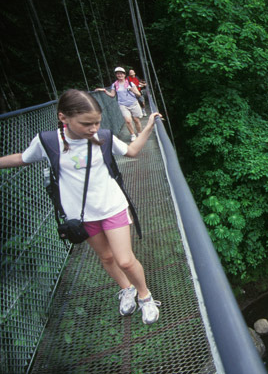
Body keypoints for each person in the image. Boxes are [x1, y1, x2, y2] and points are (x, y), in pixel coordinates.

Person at [0, 89, 162, 324]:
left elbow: (133, 151)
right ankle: (127, 289)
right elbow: (22, 158)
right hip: (81, 215)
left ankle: (145, 296)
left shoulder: (103, 136)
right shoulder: (47, 142)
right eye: (86, 124)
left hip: (112, 206)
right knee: (106, 258)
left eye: (96, 122)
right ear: (63, 118)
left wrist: (148, 126)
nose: (93, 128)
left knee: (125, 259)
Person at [95, 67, 142, 142]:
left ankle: (139, 133)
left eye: (121, 73)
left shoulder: (130, 83)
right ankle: (132, 135)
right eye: (118, 74)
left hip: (133, 103)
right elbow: (112, 95)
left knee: (136, 120)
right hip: (123, 105)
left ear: (124, 74)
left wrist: (132, 90)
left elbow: (139, 95)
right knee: (128, 120)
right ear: (116, 75)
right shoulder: (115, 85)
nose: (119, 75)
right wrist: (104, 91)